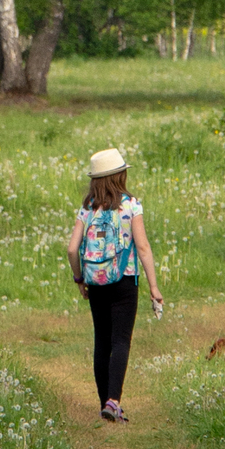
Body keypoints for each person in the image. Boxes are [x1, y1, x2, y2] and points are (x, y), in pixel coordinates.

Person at [69, 146, 162, 422]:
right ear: (120, 175)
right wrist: (154, 287)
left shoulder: (87, 208)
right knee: (121, 340)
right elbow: (143, 247)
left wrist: (79, 279)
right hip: (124, 280)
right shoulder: (131, 205)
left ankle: (104, 403)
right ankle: (113, 400)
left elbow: (72, 249)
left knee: (102, 340)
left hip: (96, 281)